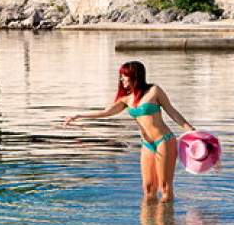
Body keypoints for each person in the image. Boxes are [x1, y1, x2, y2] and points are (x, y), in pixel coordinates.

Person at [63, 60, 195, 202]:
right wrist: (78, 115)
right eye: (121, 76)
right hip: (147, 145)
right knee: (148, 188)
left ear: (134, 75)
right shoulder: (126, 99)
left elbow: (172, 112)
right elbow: (106, 112)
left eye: (124, 75)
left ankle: (166, 223)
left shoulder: (154, 91)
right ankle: (147, 223)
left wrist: (191, 130)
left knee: (165, 187)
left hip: (164, 141)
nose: (121, 79)